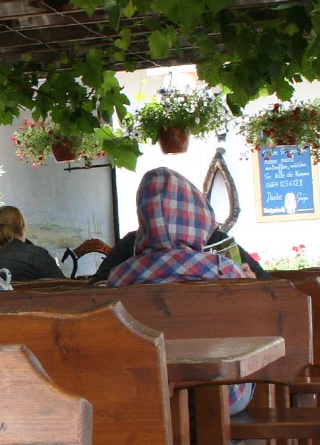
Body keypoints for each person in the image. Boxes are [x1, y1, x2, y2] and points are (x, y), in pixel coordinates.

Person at [107, 167, 254, 411]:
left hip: (145, 392)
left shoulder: (120, 277)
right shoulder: (224, 271)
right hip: (222, 392)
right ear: (199, 219)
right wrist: (250, 285)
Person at [91, 195, 267, 283]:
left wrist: (253, 283)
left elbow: (270, 285)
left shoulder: (215, 238)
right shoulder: (132, 242)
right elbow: (95, 287)